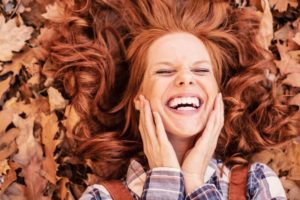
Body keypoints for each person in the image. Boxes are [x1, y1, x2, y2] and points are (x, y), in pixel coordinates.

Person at [48, 0, 299, 199]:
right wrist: (164, 183)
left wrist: (194, 183)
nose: (185, 79)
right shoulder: (101, 197)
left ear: (218, 94)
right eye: (165, 71)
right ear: (139, 97)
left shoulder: (257, 182)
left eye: (201, 70)